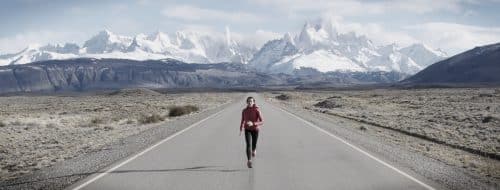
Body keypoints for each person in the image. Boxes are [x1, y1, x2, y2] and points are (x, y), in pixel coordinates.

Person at [240, 96, 263, 168]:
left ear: (254, 102)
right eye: (248, 101)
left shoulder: (257, 110)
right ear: (247, 102)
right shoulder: (244, 111)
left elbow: (262, 121)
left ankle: (254, 150)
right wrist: (241, 128)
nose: (250, 102)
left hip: (255, 129)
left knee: (254, 144)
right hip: (247, 129)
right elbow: (242, 120)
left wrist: (253, 123)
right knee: (248, 144)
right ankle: (249, 160)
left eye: (251, 101)